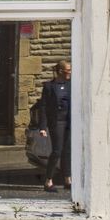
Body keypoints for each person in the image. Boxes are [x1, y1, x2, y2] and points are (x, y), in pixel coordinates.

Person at [33, 60, 72, 192]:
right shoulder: (49, 86)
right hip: (57, 122)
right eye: (68, 70)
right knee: (57, 151)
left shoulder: (71, 85)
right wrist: (43, 127)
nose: (70, 73)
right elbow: (43, 107)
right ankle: (48, 181)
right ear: (60, 71)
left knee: (67, 151)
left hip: (69, 121)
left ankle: (68, 180)